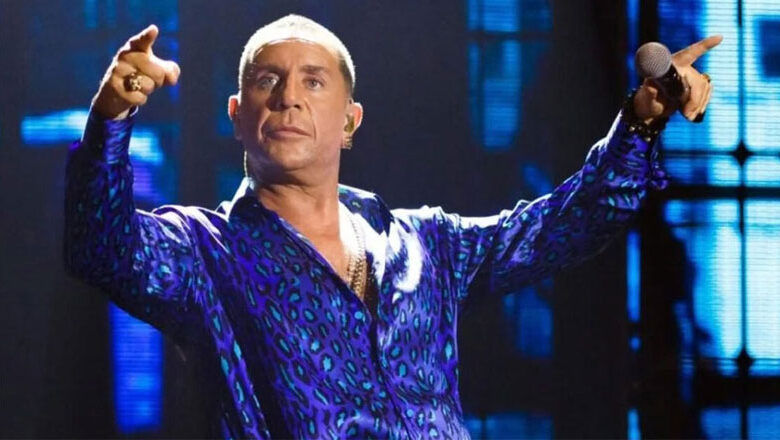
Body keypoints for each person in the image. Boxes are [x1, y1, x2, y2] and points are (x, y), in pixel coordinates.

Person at [64, 14, 720, 439]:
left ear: (349, 121)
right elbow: (102, 246)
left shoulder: (426, 245)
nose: (288, 96)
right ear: (238, 115)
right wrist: (111, 119)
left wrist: (640, 123)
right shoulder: (202, 253)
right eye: (268, 81)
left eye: (313, 82)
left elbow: (564, 226)